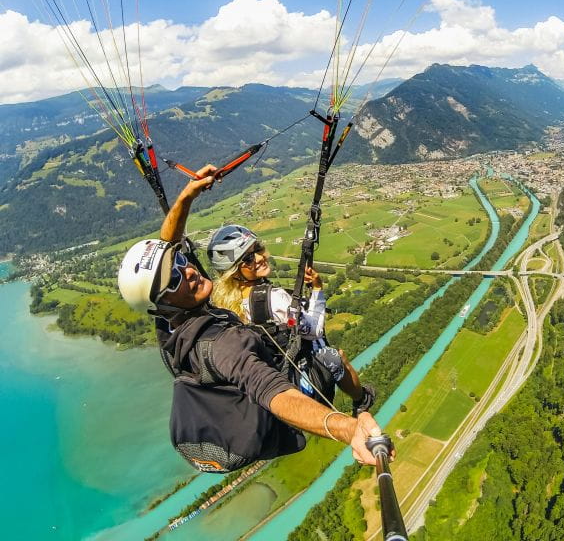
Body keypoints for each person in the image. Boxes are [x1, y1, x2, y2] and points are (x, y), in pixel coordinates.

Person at [117, 165, 387, 472]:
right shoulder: (223, 344)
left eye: (181, 262)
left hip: (231, 411)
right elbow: (273, 392)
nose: (189, 271)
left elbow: (166, 247)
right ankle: (362, 399)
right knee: (332, 356)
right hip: (283, 399)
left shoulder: (170, 326)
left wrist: (186, 197)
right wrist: (348, 429)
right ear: (163, 302)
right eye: (175, 278)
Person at [207, 224, 375, 416]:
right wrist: (318, 289)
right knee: (336, 356)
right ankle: (362, 400)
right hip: (296, 381)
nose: (260, 257)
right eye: (248, 258)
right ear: (235, 270)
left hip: (265, 380)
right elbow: (314, 331)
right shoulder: (273, 297)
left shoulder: (222, 304)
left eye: (258, 249)